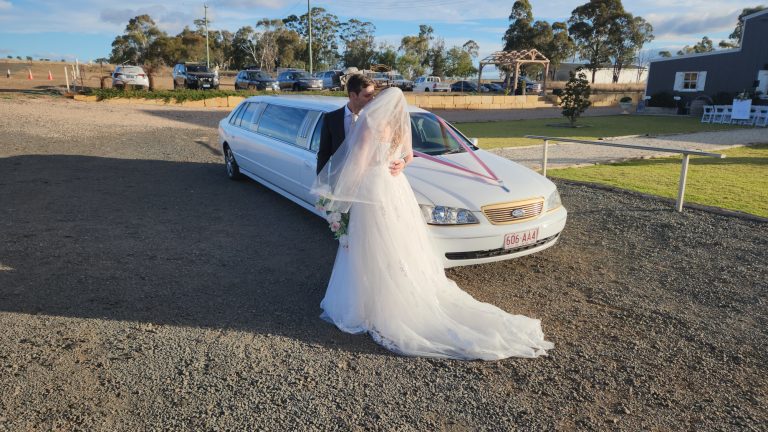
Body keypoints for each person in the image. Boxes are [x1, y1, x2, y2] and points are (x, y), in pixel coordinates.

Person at [312, 87, 553, 360]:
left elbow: (357, 164)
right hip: (396, 187)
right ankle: (398, 286)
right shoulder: (398, 126)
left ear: (379, 103)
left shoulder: (369, 123)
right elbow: (409, 157)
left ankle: (369, 303)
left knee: (368, 241)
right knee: (397, 240)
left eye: (374, 97)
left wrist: (340, 199)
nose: (371, 100)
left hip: (372, 189)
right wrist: (399, 164)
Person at [316, 73, 406, 177]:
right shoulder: (331, 119)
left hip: (367, 182)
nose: (372, 99)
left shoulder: (376, 121)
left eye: (373, 95)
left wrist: (402, 162)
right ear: (353, 96)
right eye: (367, 95)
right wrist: (322, 185)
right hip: (337, 181)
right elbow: (324, 155)